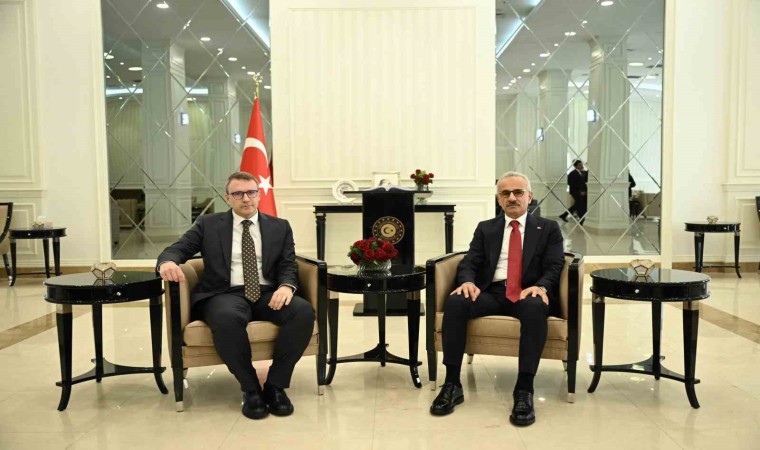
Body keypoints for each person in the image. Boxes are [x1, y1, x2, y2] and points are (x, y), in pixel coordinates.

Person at [157, 171, 315, 420]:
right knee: (227, 318)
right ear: (227, 197)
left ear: (259, 195)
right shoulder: (208, 224)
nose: (246, 198)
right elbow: (178, 249)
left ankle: (275, 386)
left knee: (302, 312)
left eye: (251, 192)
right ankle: (251, 389)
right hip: (224, 292)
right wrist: (167, 262)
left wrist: (286, 286)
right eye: (238, 193)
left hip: (266, 292)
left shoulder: (280, 226)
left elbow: (288, 264)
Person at [429, 171, 565, 426]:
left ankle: (524, 389)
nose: (512, 198)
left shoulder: (548, 228)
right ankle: (452, 384)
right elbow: (470, 261)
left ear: (529, 196)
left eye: (518, 192)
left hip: (527, 292)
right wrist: (467, 282)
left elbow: (555, 265)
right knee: (456, 301)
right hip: (491, 292)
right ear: (499, 199)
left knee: (535, 308)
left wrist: (541, 287)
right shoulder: (486, 228)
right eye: (505, 193)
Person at [559, 160, 587, 225]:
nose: (582, 165)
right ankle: (582, 220)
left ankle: (564, 215)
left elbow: (583, 183)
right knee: (580, 205)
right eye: (580, 164)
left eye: (581, 164)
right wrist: (580, 192)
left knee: (577, 205)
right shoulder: (572, 173)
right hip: (576, 192)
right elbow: (571, 183)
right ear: (576, 166)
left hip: (581, 192)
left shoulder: (581, 172)